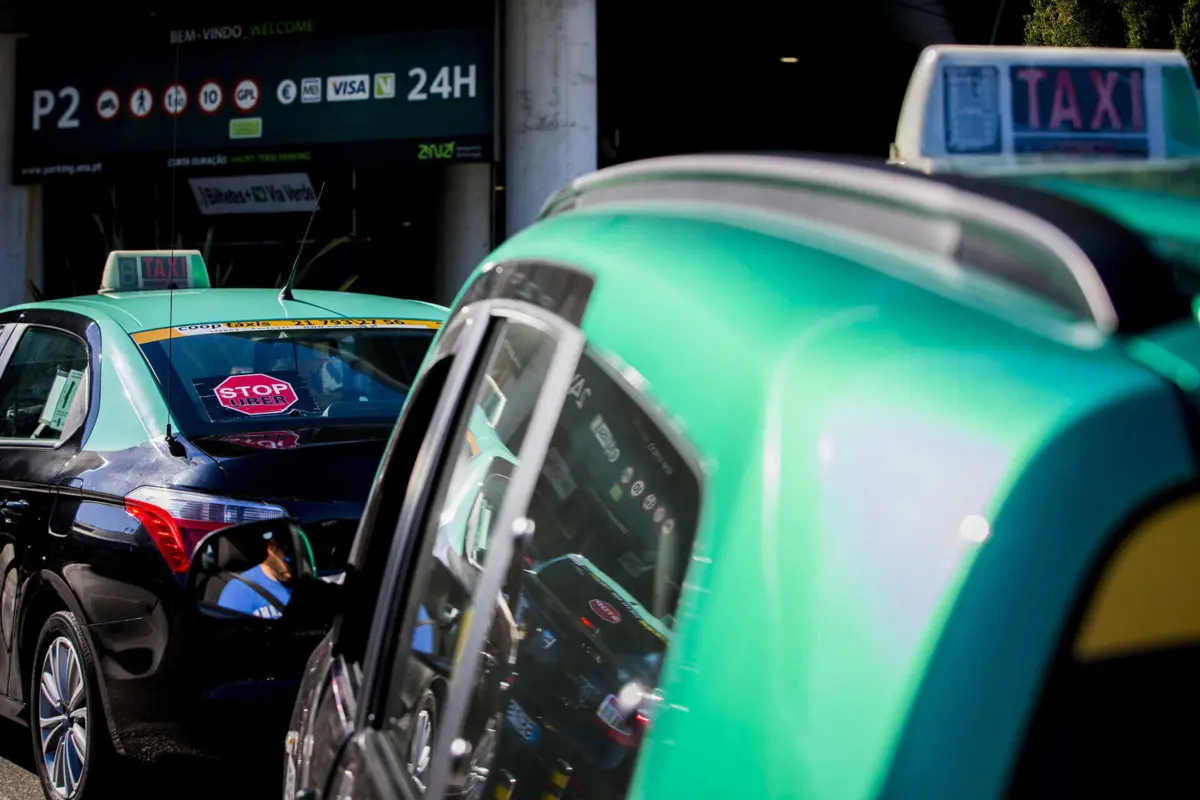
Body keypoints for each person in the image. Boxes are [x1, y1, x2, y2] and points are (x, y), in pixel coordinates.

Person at [217, 534, 293, 619]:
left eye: (296, 559)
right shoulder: (239, 589)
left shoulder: (305, 582)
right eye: (287, 558)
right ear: (271, 548)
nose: (291, 569)